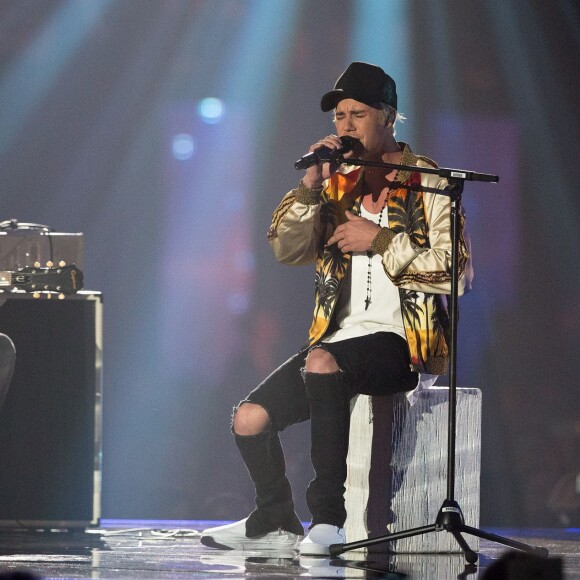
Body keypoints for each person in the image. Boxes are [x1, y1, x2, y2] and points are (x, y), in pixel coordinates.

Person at [201, 61, 473, 555]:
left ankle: (329, 519)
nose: (345, 127)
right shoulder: (335, 184)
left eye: (357, 114)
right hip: (337, 338)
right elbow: (286, 249)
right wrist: (309, 186)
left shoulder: (429, 181)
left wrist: (382, 239)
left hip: (404, 343)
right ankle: (274, 519)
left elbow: (458, 273)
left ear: (388, 116)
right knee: (250, 417)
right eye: (339, 117)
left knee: (323, 363)